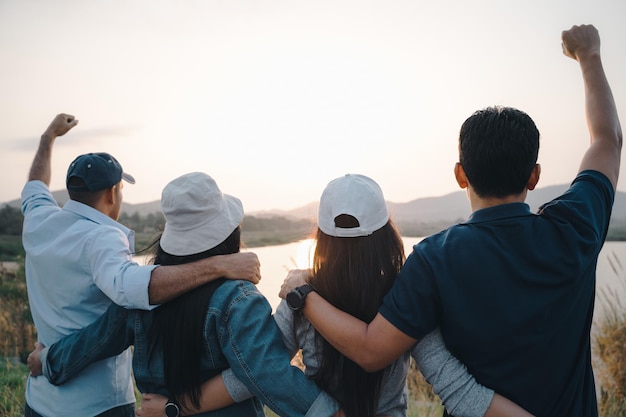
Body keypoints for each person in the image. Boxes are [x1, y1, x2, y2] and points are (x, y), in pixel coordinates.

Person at [279, 24, 622, 416]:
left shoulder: (434, 258)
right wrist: (589, 55)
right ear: (535, 176)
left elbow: (371, 350)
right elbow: (607, 140)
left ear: (460, 175)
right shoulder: (576, 224)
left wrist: (302, 295)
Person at [29, 173, 530, 417]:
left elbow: (255, 372)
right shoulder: (406, 295)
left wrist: (50, 358)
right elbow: (454, 385)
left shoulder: (297, 292)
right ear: (387, 233)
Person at [28, 171, 339, 417]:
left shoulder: (144, 298)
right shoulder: (238, 299)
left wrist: (48, 359)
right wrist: (332, 413)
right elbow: (269, 373)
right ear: (229, 234)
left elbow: (94, 341)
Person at [21, 117, 260, 417]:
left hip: (39, 399)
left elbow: (35, 183)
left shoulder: (38, 220)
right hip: (96, 405)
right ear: (112, 194)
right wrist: (219, 265)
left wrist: (48, 137)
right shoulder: (103, 237)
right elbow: (134, 289)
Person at [274, 173, 532, 417]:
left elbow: (265, 368)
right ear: (386, 236)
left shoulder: (299, 298)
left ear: (321, 238)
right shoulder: (404, 299)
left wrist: (319, 408)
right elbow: (459, 391)